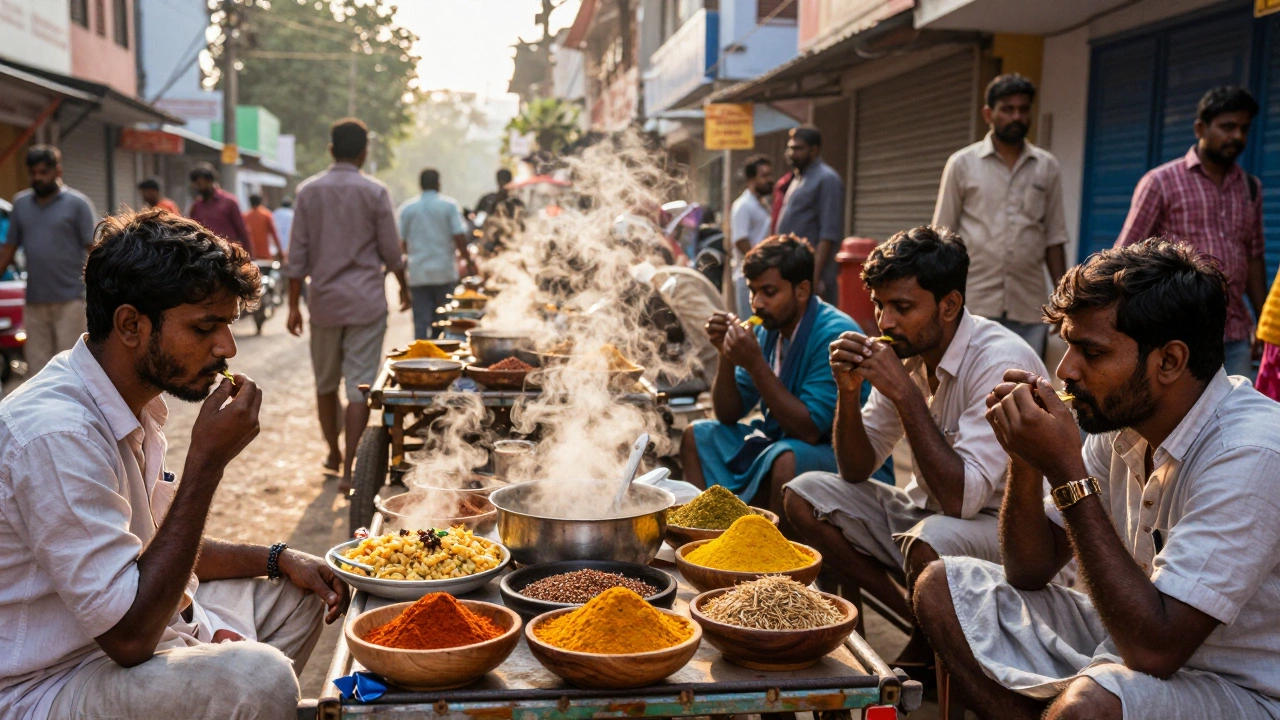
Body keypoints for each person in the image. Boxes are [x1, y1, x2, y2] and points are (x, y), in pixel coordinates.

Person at [0, 209, 346, 720]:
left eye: (226, 326)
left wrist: (278, 558)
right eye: (206, 327)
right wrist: (207, 464)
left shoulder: (129, 400)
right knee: (259, 678)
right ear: (130, 324)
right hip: (49, 682)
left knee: (300, 595)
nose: (226, 348)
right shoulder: (58, 432)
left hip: (126, 633)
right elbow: (129, 637)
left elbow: (149, 547)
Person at [913, 239, 1280, 719]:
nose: (1065, 370)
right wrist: (1026, 460)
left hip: (1243, 689)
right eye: (1067, 344)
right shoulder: (1121, 422)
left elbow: (1156, 650)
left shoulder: (1250, 451)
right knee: (942, 589)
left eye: (1091, 351)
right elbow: (1029, 570)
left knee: (1090, 706)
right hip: (1130, 640)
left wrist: (1066, 470)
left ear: (1169, 361)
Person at [785, 225, 1053, 669]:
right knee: (806, 494)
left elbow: (961, 500)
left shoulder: (997, 360)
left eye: (902, 307)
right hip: (929, 517)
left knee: (930, 540)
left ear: (949, 305)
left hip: (1008, 533)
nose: (885, 322)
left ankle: (929, 640)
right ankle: (919, 620)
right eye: (879, 305)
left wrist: (906, 396)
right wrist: (848, 393)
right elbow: (855, 469)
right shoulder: (907, 350)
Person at [681, 235, 891, 517]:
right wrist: (725, 354)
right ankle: (701, 532)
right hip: (782, 440)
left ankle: (772, 554)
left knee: (786, 459)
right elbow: (728, 414)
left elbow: (809, 429)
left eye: (769, 292)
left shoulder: (832, 333)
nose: (757, 303)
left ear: (802, 290)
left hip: (842, 457)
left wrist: (756, 364)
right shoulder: (768, 329)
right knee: (698, 436)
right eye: (752, 291)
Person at [285, 118, 410, 490]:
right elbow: (392, 250)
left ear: (330, 149)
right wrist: (403, 287)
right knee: (359, 386)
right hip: (366, 303)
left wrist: (293, 306)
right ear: (363, 151)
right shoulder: (375, 192)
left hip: (323, 303)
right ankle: (348, 471)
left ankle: (335, 453)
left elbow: (298, 254)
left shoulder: (308, 192)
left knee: (325, 385)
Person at [1116, 86, 1265, 378]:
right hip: (1176, 333)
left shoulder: (1250, 187)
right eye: (1227, 127)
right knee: (1178, 420)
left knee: (1235, 417)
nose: (1237, 136)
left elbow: (1254, 257)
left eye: (1244, 128)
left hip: (1234, 335)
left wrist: (1264, 322)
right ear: (1200, 128)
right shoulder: (1161, 182)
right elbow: (1125, 256)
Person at [932, 74, 1068, 356]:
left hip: (1028, 305)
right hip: (973, 301)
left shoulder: (1047, 167)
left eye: (1022, 109)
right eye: (1007, 109)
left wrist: (1064, 297)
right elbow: (942, 236)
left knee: (1025, 386)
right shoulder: (962, 164)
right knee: (969, 384)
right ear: (988, 114)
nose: (1016, 116)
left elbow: (1054, 238)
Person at [0, 145, 97, 374]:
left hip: (71, 301)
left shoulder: (77, 204)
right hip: (34, 302)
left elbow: (94, 249)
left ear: (58, 171)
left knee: (72, 369)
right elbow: (9, 249)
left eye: (44, 172)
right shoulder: (21, 204)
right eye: (33, 173)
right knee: (38, 371)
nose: (38, 178)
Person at [399, 168, 475, 340]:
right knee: (443, 321)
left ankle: (419, 361)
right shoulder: (449, 206)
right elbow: (459, 237)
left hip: (418, 274)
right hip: (444, 273)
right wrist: (468, 261)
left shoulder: (408, 209)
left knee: (420, 323)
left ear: (420, 185)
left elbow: (402, 243)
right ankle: (440, 359)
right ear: (438, 183)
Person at [775, 126, 844, 304]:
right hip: (793, 272)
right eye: (790, 148)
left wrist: (814, 277)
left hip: (813, 277)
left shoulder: (827, 179)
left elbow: (828, 235)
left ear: (814, 150)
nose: (791, 153)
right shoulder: (797, 178)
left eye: (798, 148)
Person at [730, 155, 774, 315]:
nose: (769, 180)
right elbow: (741, 241)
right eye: (764, 176)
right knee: (752, 328)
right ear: (750, 178)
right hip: (748, 277)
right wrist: (759, 265)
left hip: (762, 276)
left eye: (770, 175)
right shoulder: (743, 206)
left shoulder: (762, 204)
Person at [187, 163, 250, 249]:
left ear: (210, 181)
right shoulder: (196, 207)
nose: (198, 188)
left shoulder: (229, 202)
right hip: (205, 257)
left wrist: (250, 257)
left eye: (200, 184)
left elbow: (243, 232)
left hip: (228, 256)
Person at [244, 194, 281, 261]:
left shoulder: (245, 216)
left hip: (250, 254)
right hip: (265, 254)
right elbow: (274, 234)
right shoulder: (266, 215)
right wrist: (280, 252)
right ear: (261, 201)